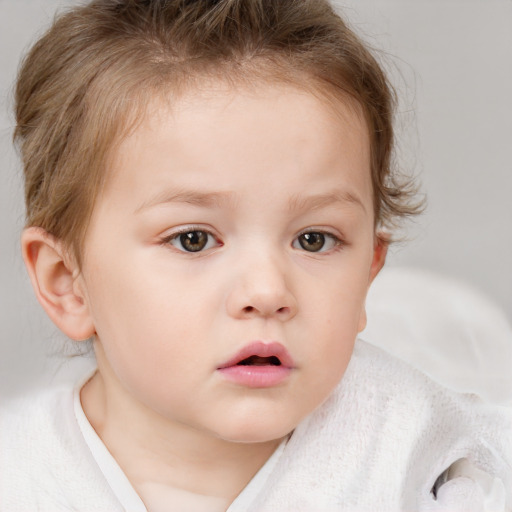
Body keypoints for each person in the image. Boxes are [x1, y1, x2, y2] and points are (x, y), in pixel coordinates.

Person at [1, 0, 510, 510]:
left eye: (314, 239)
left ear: (367, 275)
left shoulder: (428, 460)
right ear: (67, 281)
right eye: (193, 239)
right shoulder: (21, 475)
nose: (267, 291)